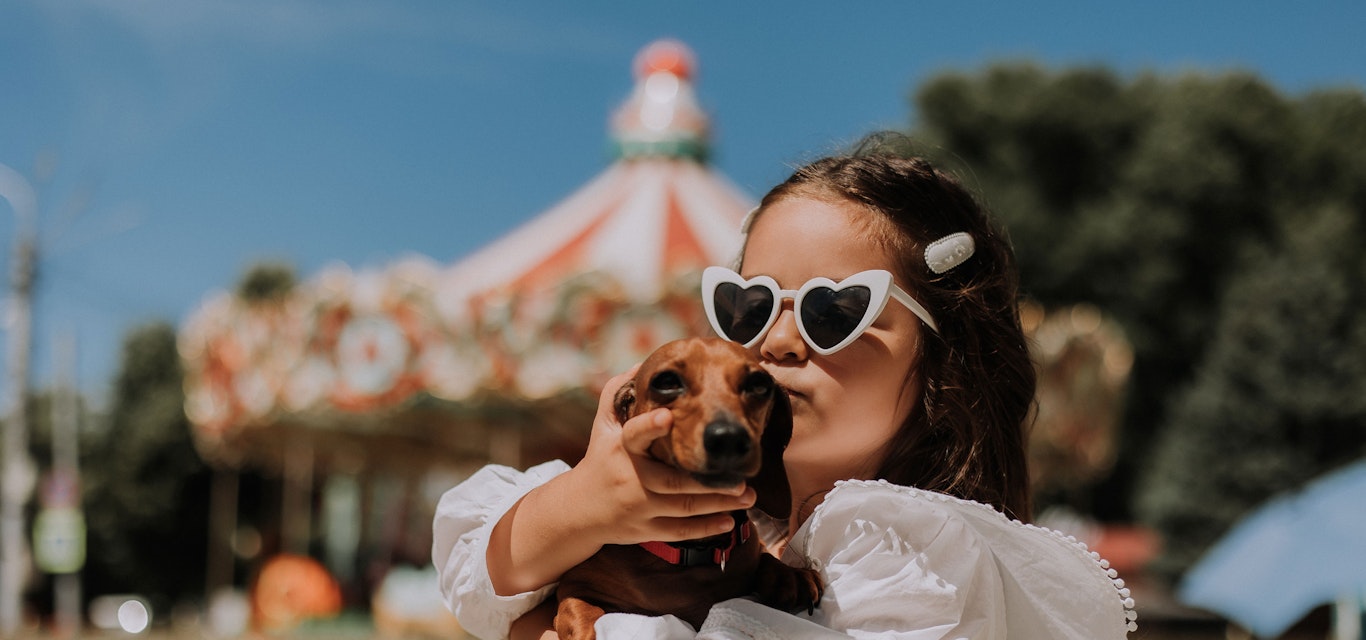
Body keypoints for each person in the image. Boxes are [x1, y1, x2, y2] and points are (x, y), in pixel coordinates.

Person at [432, 132, 1137, 639]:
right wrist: (585, 504)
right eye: (750, 306)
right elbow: (475, 572)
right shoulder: (754, 534)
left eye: (835, 311)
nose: (775, 342)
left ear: (944, 365)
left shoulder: (915, 549)